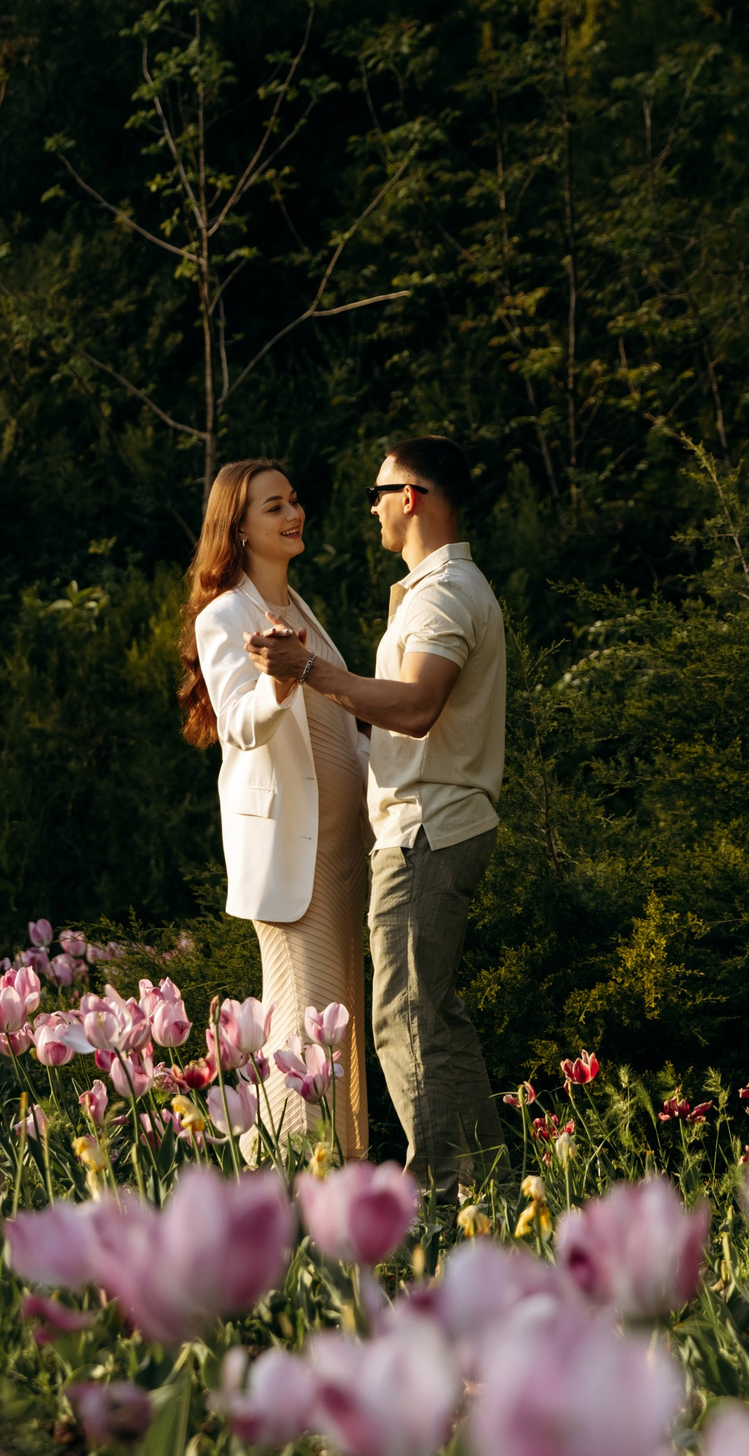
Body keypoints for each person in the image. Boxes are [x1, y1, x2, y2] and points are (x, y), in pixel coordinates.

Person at [246, 435, 504, 1193]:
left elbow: (419, 706)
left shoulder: (444, 594)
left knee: (405, 1017)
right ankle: (487, 1182)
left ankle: (444, 1192)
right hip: (428, 821)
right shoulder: (438, 590)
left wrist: (310, 670)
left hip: (427, 829)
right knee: (433, 1012)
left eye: (379, 493)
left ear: (412, 498)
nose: (371, 508)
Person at [176, 458, 373, 1155]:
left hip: (343, 849)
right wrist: (282, 683)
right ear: (238, 527)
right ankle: (282, 1181)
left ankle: (344, 1179)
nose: (294, 514)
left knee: (338, 1026)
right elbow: (240, 721)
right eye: (273, 507)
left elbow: (341, 727)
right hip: (293, 851)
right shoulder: (226, 613)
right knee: (304, 1024)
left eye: (293, 500)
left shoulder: (298, 607)